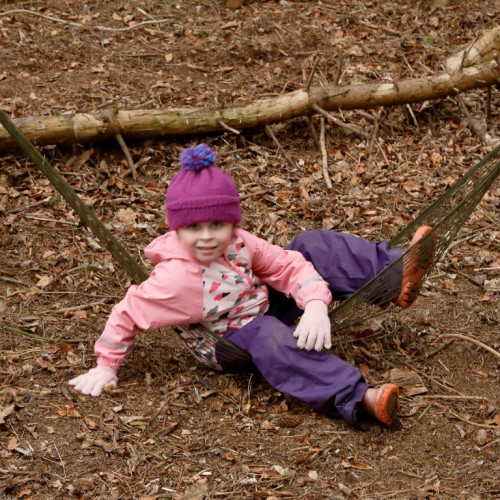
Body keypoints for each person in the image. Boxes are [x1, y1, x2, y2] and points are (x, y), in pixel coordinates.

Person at [69, 144, 436, 428]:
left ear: (231, 222)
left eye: (217, 224)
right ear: (177, 229)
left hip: (259, 303)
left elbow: (287, 265)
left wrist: (314, 304)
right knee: (267, 334)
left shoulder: (241, 243)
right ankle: (357, 398)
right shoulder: (177, 281)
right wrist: (106, 366)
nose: (208, 236)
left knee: (308, 244)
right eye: (194, 228)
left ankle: (392, 275)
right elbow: (128, 312)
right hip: (227, 342)